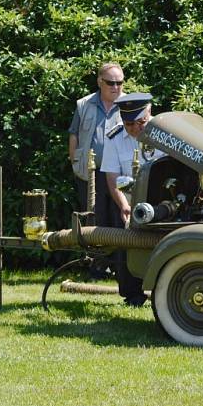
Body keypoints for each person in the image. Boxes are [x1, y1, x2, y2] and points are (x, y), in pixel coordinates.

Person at [101, 92, 163, 306]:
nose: (136, 129)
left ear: (149, 113)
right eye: (129, 124)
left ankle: (163, 291)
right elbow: (111, 176)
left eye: (141, 123)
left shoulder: (166, 132)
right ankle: (132, 294)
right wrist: (124, 205)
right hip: (127, 197)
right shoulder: (114, 137)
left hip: (161, 198)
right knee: (124, 242)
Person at [68, 62, 125, 279]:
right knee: (95, 219)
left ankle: (121, 270)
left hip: (119, 174)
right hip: (90, 173)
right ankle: (97, 269)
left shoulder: (129, 104)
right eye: (111, 82)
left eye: (119, 82)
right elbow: (74, 133)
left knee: (119, 218)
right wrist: (74, 160)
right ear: (100, 82)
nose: (116, 87)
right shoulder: (84, 104)